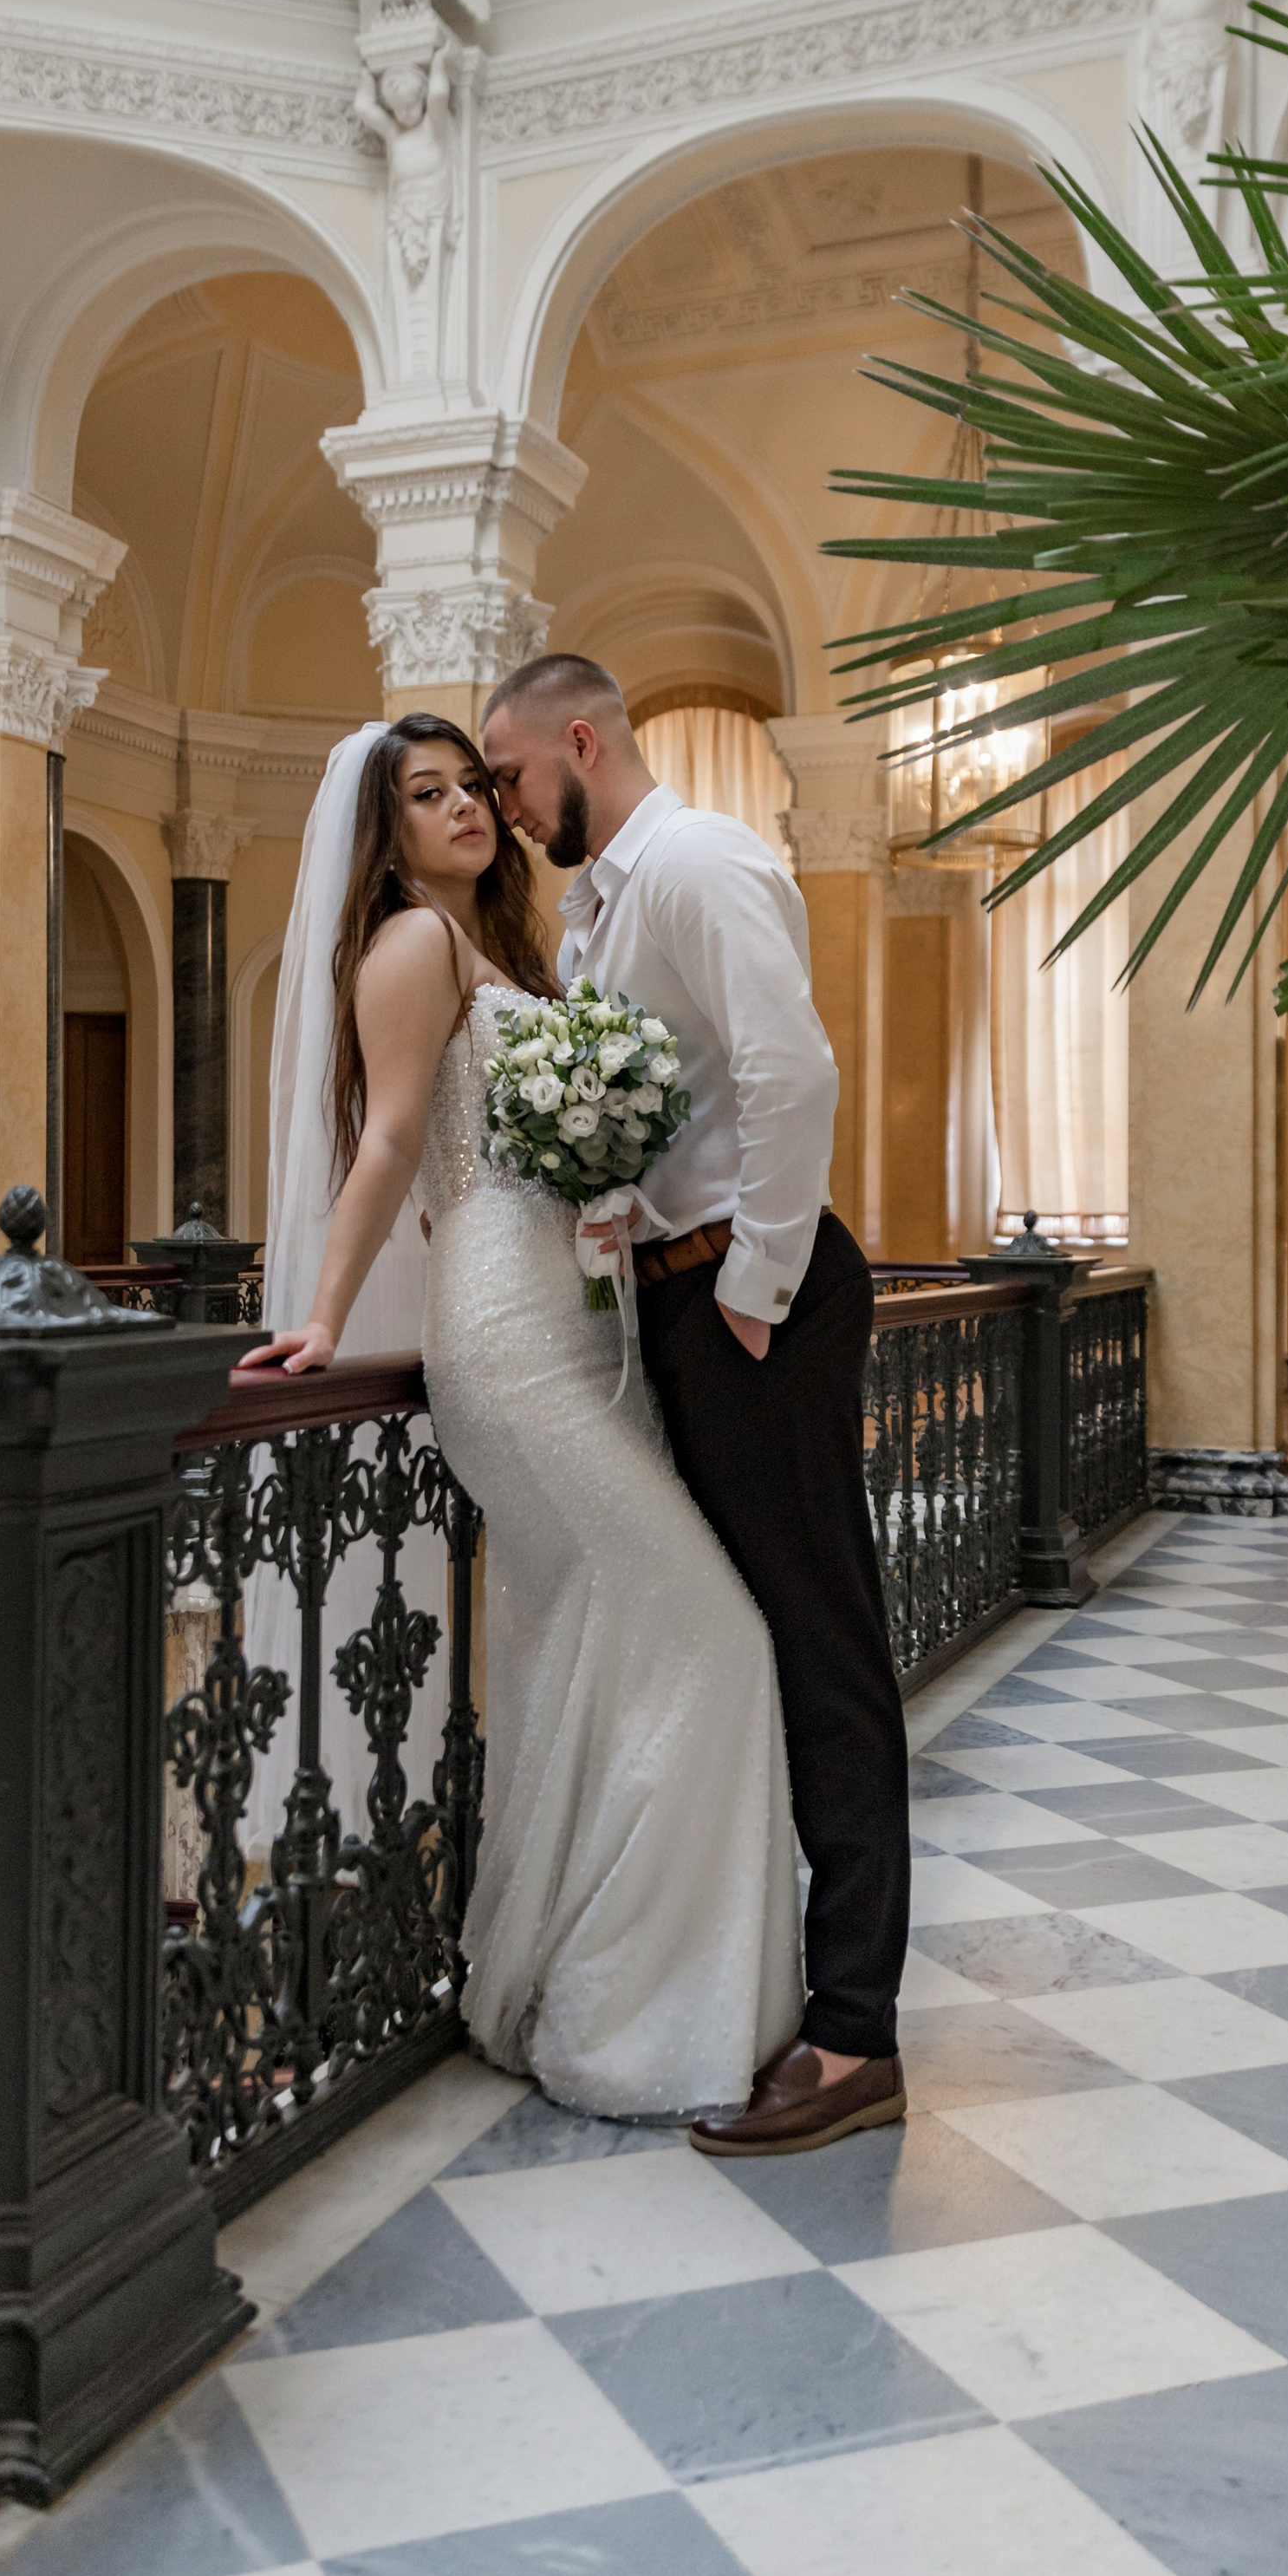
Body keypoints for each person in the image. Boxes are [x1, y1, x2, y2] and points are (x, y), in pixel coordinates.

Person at [241, 713, 800, 2120]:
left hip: (579, 1317)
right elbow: (382, 1142)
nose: (463, 811)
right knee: (716, 1635)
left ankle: (555, 1973)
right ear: (386, 828)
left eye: (472, 787)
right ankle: (633, 2010)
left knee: (583, 1654)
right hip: (505, 1335)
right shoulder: (411, 946)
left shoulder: (497, 948)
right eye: (426, 796)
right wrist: (322, 1311)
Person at [479, 654, 911, 2159]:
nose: (513, 813)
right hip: (685, 1293)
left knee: (820, 1644)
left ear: (580, 741)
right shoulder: (607, 905)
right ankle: (780, 1985)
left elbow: (796, 1071)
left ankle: (857, 2034)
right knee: (749, 1646)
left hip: (754, 1303)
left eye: (517, 780)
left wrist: (755, 1284)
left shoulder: (703, 861)